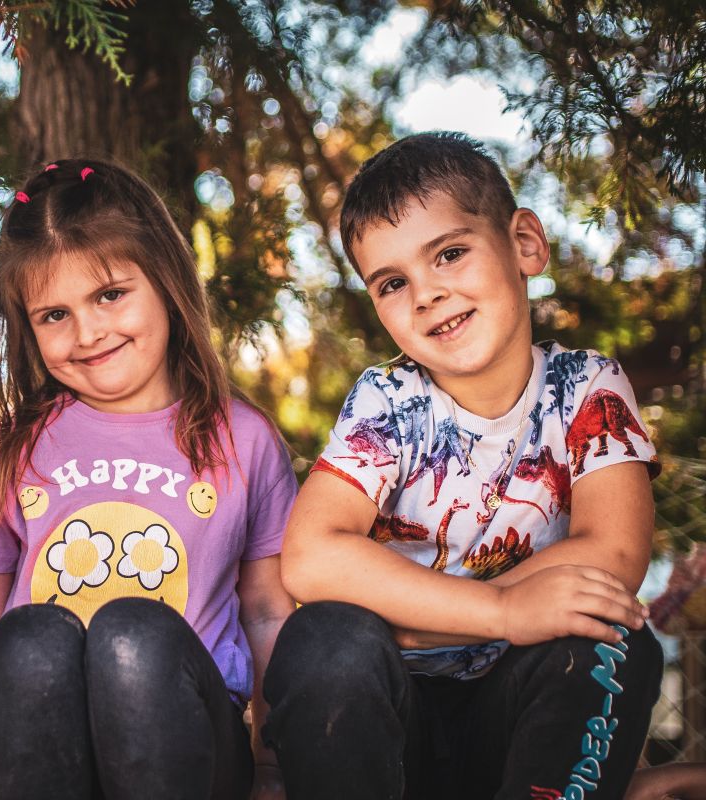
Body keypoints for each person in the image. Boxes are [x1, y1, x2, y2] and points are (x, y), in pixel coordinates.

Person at [263, 132, 664, 800]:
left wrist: (418, 620)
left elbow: (613, 556)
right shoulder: (388, 402)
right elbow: (310, 557)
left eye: (450, 253)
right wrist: (502, 611)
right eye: (394, 283)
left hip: (513, 721)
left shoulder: (587, 388)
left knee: (612, 636)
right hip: (392, 727)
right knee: (325, 639)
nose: (427, 294)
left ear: (525, 244)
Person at [0, 159, 298, 800]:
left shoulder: (242, 439)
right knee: (27, 640)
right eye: (53, 315)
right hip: (40, 748)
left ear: (165, 281)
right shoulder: (11, 448)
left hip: (191, 750)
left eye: (110, 295)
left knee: (133, 635)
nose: (87, 333)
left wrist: (273, 767)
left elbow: (264, 611)